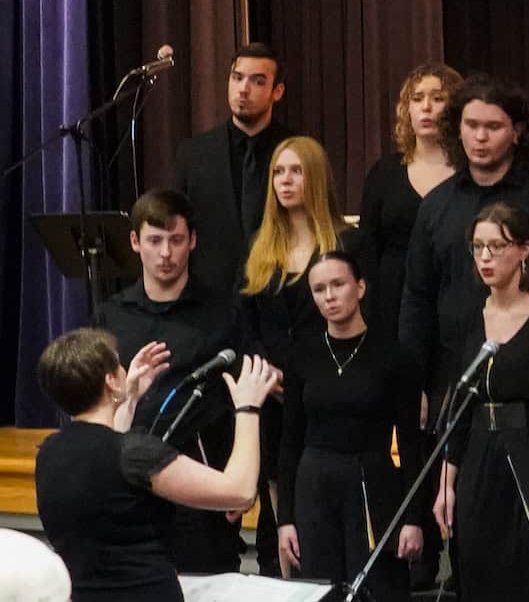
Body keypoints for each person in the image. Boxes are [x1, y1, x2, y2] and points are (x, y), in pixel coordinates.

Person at [400, 74, 529, 436]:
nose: (480, 137)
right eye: (471, 125)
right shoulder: (436, 206)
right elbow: (417, 298)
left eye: (493, 127)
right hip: (452, 376)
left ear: (517, 132)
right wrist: (415, 381)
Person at [34, 328, 278, 602]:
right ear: (112, 380)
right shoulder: (135, 453)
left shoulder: (49, 453)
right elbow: (240, 491)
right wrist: (248, 408)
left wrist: (129, 398)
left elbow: (104, 453)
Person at [432, 202, 529, 601]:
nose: (485, 257)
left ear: (524, 250)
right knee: (480, 569)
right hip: (480, 462)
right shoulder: (470, 317)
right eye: (477, 247)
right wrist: (446, 484)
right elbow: (460, 406)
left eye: (497, 246)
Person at [94, 189, 247, 573]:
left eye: (176, 240)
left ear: (192, 241)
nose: (166, 254)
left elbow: (244, 397)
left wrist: (236, 482)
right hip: (130, 487)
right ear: (134, 242)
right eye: (155, 241)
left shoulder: (222, 313)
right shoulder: (112, 315)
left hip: (201, 483)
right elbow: (96, 404)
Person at [358, 61, 462, 589]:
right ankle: (417, 538)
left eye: (437, 97)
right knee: (408, 428)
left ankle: (462, 539)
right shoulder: (384, 173)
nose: (426, 107)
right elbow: (368, 257)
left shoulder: (468, 174)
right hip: (396, 313)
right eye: (416, 97)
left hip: (455, 315)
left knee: (454, 425)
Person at [239, 135, 361, 576]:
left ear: (315, 178)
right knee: (277, 486)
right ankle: (287, 578)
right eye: (277, 172)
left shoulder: (345, 243)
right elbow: (246, 321)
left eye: (295, 171)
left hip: (325, 388)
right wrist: (263, 370)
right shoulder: (260, 245)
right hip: (272, 388)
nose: (284, 181)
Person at [274, 251, 423, 601]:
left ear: (360, 286)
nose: (329, 296)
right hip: (314, 484)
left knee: (378, 588)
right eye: (319, 288)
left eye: (338, 284)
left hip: (373, 483)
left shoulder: (395, 357)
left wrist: (413, 519)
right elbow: (289, 441)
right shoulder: (301, 355)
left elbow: (411, 443)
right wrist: (284, 520)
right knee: (320, 589)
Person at [176, 42, 293, 296]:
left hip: (279, 295)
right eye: (237, 78)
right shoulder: (194, 153)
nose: (243, 89)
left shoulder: (296, 151)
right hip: (209, 299)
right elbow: (178, 227)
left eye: (258, 81)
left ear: (278, 91)